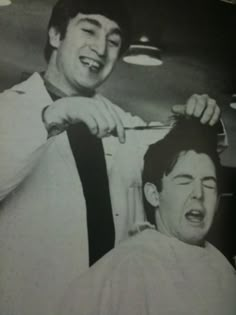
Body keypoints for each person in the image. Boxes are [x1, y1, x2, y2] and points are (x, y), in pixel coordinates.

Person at [0, 0, 221, 314]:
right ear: (55, 35)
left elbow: (185, 157)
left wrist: (202, 121)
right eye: (89, 29)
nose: (101, 48)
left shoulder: (125, 123)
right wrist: (51, 116)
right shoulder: (9, 108)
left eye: (114, 40)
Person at [58, 117, 236, 315]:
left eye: (209, 184)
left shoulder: (223, 267)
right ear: (153, 195)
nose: (198, 193)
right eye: (184, 181)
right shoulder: (128, 269)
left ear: (218, 201)